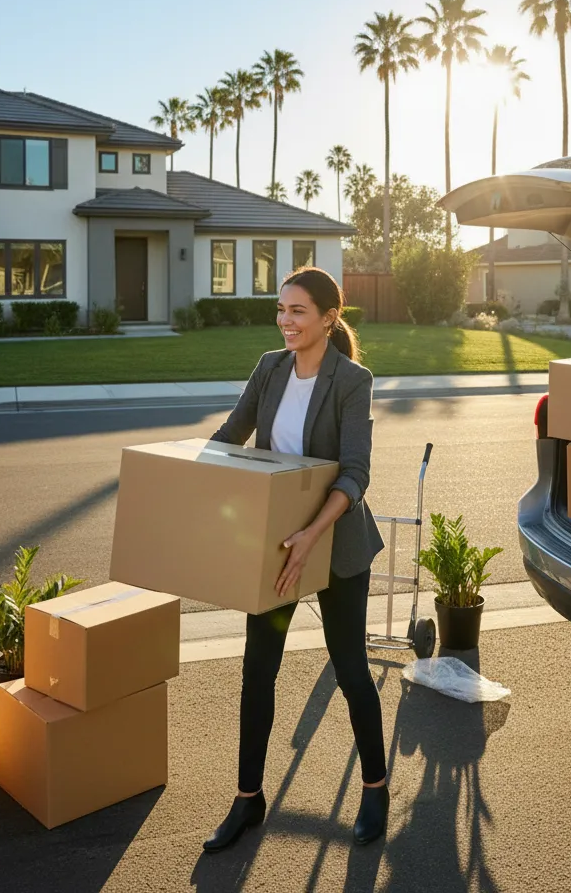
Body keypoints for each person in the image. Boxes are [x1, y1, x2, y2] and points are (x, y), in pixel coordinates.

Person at [202, 266, 389, 854]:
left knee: (351, 668)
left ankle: (376, 786)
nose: (286, 320)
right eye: (281, 309)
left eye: (299, 311)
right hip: (276, 543)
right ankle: (247, 799)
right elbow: (232, 433)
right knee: (258, 669)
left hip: (334, 542)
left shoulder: (351, 380)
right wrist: (188, 474)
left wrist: (312, 532)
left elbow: (355, 471)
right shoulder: (270, 367)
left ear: (329, 318)